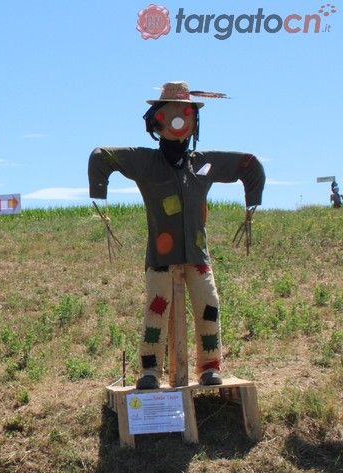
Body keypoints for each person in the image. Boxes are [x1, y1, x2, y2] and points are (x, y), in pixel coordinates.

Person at [88, 81, 265, 389]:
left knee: (209, 307)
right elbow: (101, 156)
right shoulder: (146, 162)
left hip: (197, 256)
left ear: (194, 121)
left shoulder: (203, 163)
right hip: (161, 257)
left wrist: (253, 201)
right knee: (156, 311)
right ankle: (150, 371)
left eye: (185, 115)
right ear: (156, 120)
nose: (178, 121)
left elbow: (248, 165)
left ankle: (209, 366)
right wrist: (99, 196)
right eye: (169, 115)